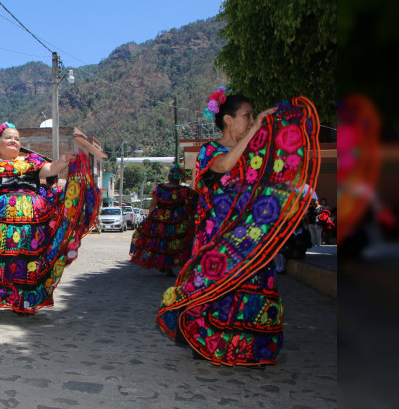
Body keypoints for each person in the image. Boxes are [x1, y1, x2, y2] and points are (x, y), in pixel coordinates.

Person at [156, 89, 320, 366]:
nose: (251, 120)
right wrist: (255, 131)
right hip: (217, 236)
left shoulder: (254, 154)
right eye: (247, 116)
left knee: (250, 290)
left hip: (249, 236)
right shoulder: (210, 150)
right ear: (229, 120)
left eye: (253, 116)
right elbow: (221, 167)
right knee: (212, 288)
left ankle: (245, 350)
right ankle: (207, 343)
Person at [0, 122, 100, 318]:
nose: (13, 141)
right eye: (8, 137)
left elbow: (50, 169)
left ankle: (22, 302)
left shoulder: (31, 161)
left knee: (24, 263)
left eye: (17, 139)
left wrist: (65, 159)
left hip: (29, 229)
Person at [129, 163, 197, 277]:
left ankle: (163, 265)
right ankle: (168, 267)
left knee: (162, 242)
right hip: (177, 218)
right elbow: (192, 201)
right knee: (173, 242)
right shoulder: (183, 190)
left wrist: (150, 217)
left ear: (169, 176)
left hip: (160, 218)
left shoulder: (160, 188)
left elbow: (153, 204)